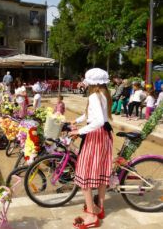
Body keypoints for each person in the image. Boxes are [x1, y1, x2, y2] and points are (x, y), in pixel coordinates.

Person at [69, 68, 113, 229]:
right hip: (105, 136)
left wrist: (79, 130)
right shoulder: (104, 95)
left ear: (91, 83)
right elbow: (92, 115)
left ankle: (92, 215)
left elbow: (98, 121)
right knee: (100, 173)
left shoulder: (94, 96)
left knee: (84, 174)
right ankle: (99, 208)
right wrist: (77, 120)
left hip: (95, 136)